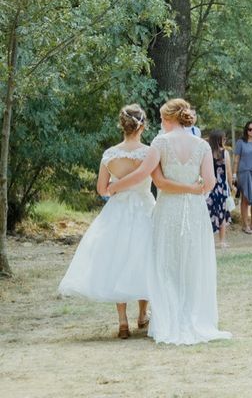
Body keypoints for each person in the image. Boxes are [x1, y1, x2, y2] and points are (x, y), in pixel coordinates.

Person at [58, 104, 199, 340]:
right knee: (146, 259)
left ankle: (122, 322)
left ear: (122, 125)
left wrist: (116, 187)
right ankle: (143, 314)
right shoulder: (149, 152)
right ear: (142, 126)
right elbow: (158, 180)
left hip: (118, 211)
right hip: (144, 208)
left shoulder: (110, 155)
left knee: (118, 260)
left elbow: (102, 189)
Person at [109, 98, 231, 345]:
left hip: (169, 209)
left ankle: (169, 318)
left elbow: (153, 178)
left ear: (168, 118)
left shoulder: (161, 142)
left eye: (163, 119)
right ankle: (194, 316)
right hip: (195, 210)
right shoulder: (202, 145)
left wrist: (114, 187)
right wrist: (192, 188)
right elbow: (210, 182)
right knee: (192, 262)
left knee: (166, 263)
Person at [206, 130, 232, 248]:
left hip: (209, 187)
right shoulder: (225, 153)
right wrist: (231, 186)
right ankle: (222, 241)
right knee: (222, 213)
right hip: (222, 188)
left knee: (209, 213)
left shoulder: (207, 153)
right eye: (224, 138)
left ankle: (209, 241)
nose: (225, 140)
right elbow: (229, 172)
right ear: (220, 140)